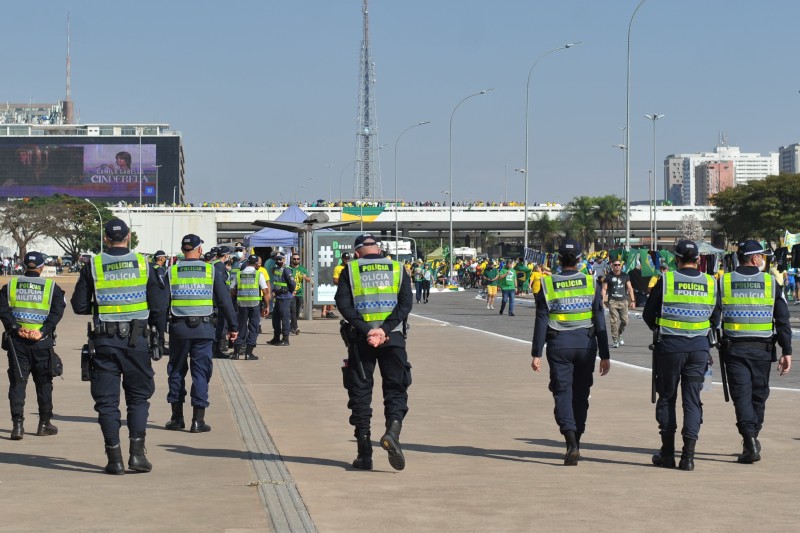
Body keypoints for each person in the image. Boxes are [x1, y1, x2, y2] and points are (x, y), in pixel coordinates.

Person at [70, 219, 168, 475]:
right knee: (137, 398)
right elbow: (158, 307)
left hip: (104, 342)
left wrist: (103, 307)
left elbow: (79, 306)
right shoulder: (144, 265)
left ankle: (114, 459)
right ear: (129, 237)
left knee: (107, 402)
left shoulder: (93, 265)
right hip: (137, 341)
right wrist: (158, 335)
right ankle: (137, 455)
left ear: (105, 238)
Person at [335, 233, 413, 471]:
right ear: (379, 249)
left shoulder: (351, 269)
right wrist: (385, 330)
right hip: (394, 338)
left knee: (360, 393)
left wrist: (368, 330)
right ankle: (392, 431)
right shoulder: (399, 268)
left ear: (357, 253)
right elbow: (406, 304)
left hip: (361, 340)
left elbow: (343, 304)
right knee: (396, 388)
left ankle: (364, 453)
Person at [531, 239, 611, 465]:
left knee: (562, 392)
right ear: (579, 259)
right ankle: (577, 439)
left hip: (559, 345)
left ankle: (570, 442)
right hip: (586, 344)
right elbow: (599, 319)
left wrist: (536, 353)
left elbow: (541, 320)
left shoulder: (547, 284)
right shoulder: (590, 282)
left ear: (558, 259)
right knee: (581, 393)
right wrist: (605, 354)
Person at [644, 240, 721, 471]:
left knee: (667, 398)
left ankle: (667, 454)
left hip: (670, 347)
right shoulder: (710, 282)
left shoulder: (666, 280)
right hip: (698, 349)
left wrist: (663, 329)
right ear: (698, 260)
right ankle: (688, 456)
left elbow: (648, 314)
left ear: (676, 259)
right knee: (692, 400)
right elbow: (715, 318)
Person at [718, 240, 792, 464]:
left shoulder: (725, 281)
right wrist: (786, 350)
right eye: (762, 255)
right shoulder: (770, 282)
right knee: (758, 396)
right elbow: (782, 318)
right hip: (762, 349)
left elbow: (713, 316)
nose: (763, 259)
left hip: (734, 349)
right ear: (754, 258)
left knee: (741, 397)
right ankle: (752, 438)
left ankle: (750, 438)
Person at [165, 234, 238, 432]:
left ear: (183, 250)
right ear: (198, 250)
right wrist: (233, 327)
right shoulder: (210, 270)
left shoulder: (172, 271)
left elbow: (163, 303)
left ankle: (176, 418)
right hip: (204, 329)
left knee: (176, 371)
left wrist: (158, 329)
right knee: (201, 373)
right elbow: (224, 301)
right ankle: (198, 421)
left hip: (178, 329)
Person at [0, 251, 66, 440]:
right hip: (41, 343)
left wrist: (15, 327)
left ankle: (17, 426)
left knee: (18, 382)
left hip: (17, 342)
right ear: (41, 267)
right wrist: (43, 330)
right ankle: (44, 424)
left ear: (23, 264)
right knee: (44, 383)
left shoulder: (10, 285)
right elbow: (57, 311)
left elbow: (2, 309)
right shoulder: (52, 287)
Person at [231, 254, 270, 360]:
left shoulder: (239, 274)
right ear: (257, 264)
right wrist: (267, 306)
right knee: (253, 328)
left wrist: (239, 296)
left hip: (241, 305)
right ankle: (249, 353)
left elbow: (232, 290)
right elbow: (265, 291)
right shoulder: (258, 274)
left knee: (241, 327)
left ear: (247, 262)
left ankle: (236, 353)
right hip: (255, 305)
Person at [602, 259, 636, 348]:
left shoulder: (625, 276)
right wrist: (602, 301)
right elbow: (604, 289)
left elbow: (630, 288)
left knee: (625, 321)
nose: (617, 266)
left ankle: (619, 334)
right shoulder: (608, 276)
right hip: (612, 301)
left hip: (623, 301)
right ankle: (615, 340)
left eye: (618, 265)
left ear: (621, 266)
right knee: (613, 321)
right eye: (615, 265)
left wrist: (632, 301)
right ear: (612, 266)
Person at [267, 253, 296, 346]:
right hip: (278, 297)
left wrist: (289, 291)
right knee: (275, 318)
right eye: (277, 259)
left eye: (280, 259)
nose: (278, 261)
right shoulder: (276, 269)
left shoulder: (286, 270)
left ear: (284, 260)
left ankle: (285, 339)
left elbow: (292, 283)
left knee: (285, 318)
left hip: (285, 297)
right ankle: (276, 338)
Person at [212, 245, 233, 358]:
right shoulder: (220, 267)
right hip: (218, 302)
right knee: (219, 326)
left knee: (215, 326)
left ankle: (214, 349)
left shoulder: (213, 265)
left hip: (212, 301)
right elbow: (222, 286)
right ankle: (216, 350)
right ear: (226, 256)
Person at [151, 250, 170, 355]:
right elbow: (162, 283)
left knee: (152, 324)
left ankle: (152, 344)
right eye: (165, 257)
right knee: (160, 326)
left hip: (151, 300)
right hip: (160, 301)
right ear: (161, 258)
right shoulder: (159, 269)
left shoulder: (150, 268)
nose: (166, 259)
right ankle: (161, 347)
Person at [289, 253, 311, 335]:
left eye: (298, 259)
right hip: (291, 293)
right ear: (291, 259)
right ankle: (296, 327)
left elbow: (310, 280)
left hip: (300, 293)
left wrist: (305, 277)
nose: (296, 260)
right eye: (294, 259)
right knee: (293, 311)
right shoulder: (289, 269)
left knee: (297, 311)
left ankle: (292, 326)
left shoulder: (302, 269)